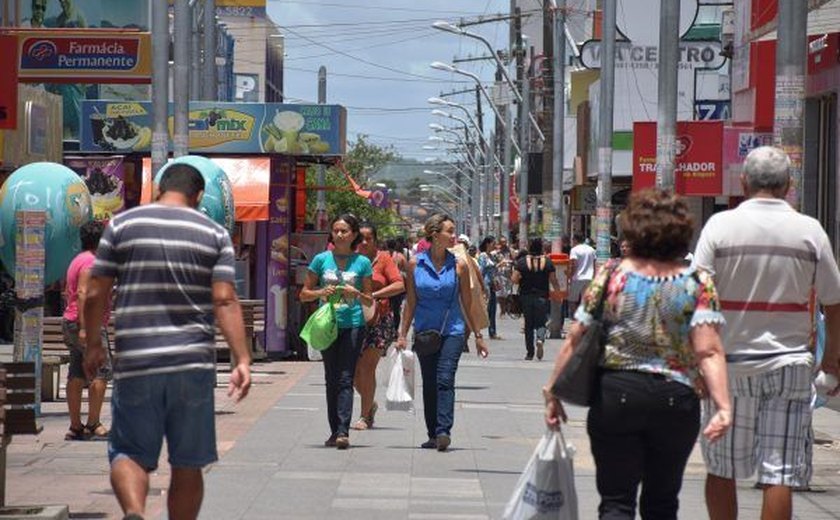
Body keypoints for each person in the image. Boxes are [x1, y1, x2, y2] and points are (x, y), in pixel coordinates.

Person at [544, 189, 732, 519]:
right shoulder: (697, 282)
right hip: (676, 399)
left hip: (617, 393)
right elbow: (709, 351)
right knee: (662, 502)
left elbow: (577, 337)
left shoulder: (612, 276)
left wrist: (553, 391)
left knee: (616, 501)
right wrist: (723, 406)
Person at [83, 163, 252, 520]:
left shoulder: (122, 225)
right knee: (188, 463)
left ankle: (133, 511)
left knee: (129, 451)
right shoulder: (214, 233)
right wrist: (242, 360)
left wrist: (94, 342)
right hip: (192, 364)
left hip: (137, 361)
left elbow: (96, 290)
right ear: (200, 196)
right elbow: (224, 299)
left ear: (158, 188)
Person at [693, 146, 840, 520]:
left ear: (743, 182)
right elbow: (834, 301)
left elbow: (696, 299)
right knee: (780, 472)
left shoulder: (719, 227)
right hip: (789, 365)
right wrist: (832, 361)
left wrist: (696, 363)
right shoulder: (809, 231)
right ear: (789, 185)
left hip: (727, 365)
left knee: (721, 467)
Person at [397, 214, 489, 451]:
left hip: (453, 331)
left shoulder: (459, 265)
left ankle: (443, 430)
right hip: (425, 331)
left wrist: (478, 336)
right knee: (430, 382)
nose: (454, 236)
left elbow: (468, 303)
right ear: (435, 234)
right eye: (449, 231)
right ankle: (432, 433)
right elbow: (411, 302)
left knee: (445, 379)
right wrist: (402, 334)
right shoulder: (415, 264)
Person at [300, 213, 373, 450]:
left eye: (344, 231)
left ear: (353, 235)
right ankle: (334, 431)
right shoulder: (321, 260)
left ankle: (343, 431)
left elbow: (369, 300)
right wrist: (321, 293)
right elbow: (303, 293)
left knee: (345, 377)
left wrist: (357, 294)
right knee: (331, 378)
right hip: (327, 325)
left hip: (353, 324)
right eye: (336, 230)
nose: (339, 235)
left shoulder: (362, 263)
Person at [352, 222, 404, 430]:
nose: (364, 242)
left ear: (375, 240)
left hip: (379, 320)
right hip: (353, 318)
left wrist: (374, 294)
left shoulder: (383, 259)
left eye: (369, 238)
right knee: (353, 372)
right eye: (361, 238)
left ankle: (364, 416)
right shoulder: (351, 259)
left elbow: (399, 284)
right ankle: (370, 403)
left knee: (367, 368)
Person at [62, 220, 111, 441]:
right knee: (101, 372)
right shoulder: (91, 263)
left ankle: (75, 425)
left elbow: (69, 292)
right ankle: (93, 422)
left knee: (77, 372)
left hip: (70, 320)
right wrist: (84, 328)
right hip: (88, 323)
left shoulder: (77, 260)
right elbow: (82, 293)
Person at [512, 238, 562, 361]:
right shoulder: (548, 262)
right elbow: (553, 280)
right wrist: (558, 292)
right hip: (542, 297)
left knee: (528, 324)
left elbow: (514, 279)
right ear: (541, 248)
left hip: (526, 296)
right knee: (541, 322)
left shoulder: (522, 262)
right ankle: (540, 339)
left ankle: (530, 353)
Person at [478, 236, 500, 340]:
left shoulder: (491, 256)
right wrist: (481, 286)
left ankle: (493, 332)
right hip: (485, 285)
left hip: (492, 285)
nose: (494, 246)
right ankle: (476, 330)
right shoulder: (483, 256)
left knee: (492, 309)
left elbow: (493, 271)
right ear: (488, 244)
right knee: (485, 309)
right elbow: (481, 271)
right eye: (493, 243)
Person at [569, 233, 596, 314]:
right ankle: (582, 320)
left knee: (571, 300)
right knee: (584, 301)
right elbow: (594, 264)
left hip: (577, 278)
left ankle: (576, 318)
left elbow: (574, 265)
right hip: (589, 278)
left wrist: (570, 276)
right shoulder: (591, 249)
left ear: (575, 240)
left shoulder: (574, 250)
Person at [386, 237, 408, 335]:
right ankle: (395, 330)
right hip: (397, 286)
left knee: (387, 308)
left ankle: (388, 329)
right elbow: (406, 270)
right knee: (396, 309)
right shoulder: (400, 256)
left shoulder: (383, 256)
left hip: (386, 286)